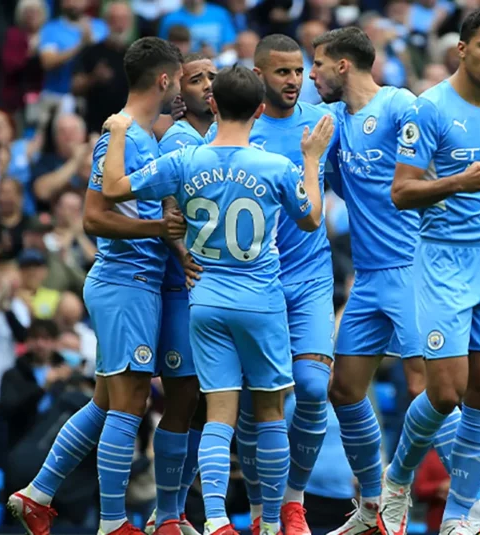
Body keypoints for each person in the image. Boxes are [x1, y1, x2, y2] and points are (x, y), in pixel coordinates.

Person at [100, 65, 334, 535]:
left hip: (204, 301)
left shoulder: (186, 161)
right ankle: (269, 523)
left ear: (213, 104)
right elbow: (310, 219)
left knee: (217, 416)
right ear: (261, 111)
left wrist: (119, 131)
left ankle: (217, 520)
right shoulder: (275, 166)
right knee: (269, 412)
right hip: (261, 300)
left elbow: (112, 189)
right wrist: (311, 159)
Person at [6, 36, 183, 535]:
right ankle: (112, 522)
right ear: (165, 79)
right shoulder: (121, 135)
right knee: (130, 405)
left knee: (107, 402)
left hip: (131, 282)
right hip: (126, 281)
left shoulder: (139, 135)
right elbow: (94, 217)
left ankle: (38, 493)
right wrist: (159, 230)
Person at [307, 27, 462, 535]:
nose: (312, 75)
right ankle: (374, 507)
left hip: (412, 269)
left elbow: (434, 168)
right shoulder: (334, 123)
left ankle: (468, 502)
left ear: (344, 65)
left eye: (318, 64)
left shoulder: (399, 105)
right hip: (368, 278)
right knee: (345, 390)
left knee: (428, 387)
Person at [385, 6, 480, 535]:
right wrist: (456, 183)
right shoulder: (429, 108)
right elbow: (402, 191)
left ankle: (462, 511)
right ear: (461, 49)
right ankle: (396, 482)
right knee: (444, 393)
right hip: (445, 258)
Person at [225, 34, 339, 535]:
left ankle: (292, 503)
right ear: (258, 76)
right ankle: (259, 509)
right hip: (258, 282)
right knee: (257, 404)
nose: (293, 81)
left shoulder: (323, 124)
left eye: (299, 72)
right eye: (282, 73)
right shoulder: (237, 133)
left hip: (312, 277)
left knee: (313, 388)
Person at [144, 52, 218, 535]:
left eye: (214, 77)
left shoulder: (218, 137)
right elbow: (168, 209)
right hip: (181, 286)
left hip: (213, 290)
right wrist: (179, 250)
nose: (208, 85)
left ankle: (168, 511)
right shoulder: (175, 138)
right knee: (183, 396)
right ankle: (165, 512)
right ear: (179, 94)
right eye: (197, 79)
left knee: (209, 403)